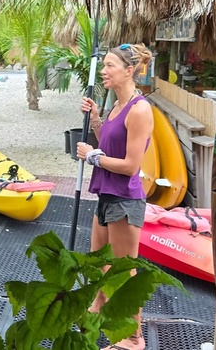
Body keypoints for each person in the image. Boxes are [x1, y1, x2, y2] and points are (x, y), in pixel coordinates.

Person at [75, 43, 154, 350]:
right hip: (107, 196)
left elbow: (131, 165)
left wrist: (93, 158)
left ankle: (133, 338)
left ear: (128, 70)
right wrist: (96, 118)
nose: (104, 71)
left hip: (125, 199)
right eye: (104, 65)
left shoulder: (139, 109)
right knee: (98, 262)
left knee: (122, 271)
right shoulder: (116, 107)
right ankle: (97, 311)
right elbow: (108, 143)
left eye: (110, 66)